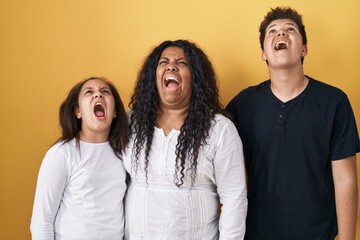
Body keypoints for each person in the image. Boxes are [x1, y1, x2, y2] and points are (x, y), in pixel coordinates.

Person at [226, 6, 359, 240]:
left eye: (290, 30)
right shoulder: (242, 104)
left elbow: (345, 179)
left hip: (318, 234)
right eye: (273, 31)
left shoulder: (334, 102)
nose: (281, 34)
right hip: (256, 233)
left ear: (304, 49)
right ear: (264, 53)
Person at [123, 39, 247, 239]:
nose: (171, 65)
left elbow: (235, 200)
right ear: (153, 75)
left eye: (182, 63)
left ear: (195, 78)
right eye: (163, 62)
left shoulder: (219, 129)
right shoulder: (131, 121)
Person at [30, 77, 129, 239]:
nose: (98, 95)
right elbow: (42, 220)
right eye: (89, 92)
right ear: (78, 111)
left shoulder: (123, 155)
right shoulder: (62, 154)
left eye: (105, 92)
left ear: (115, 111)